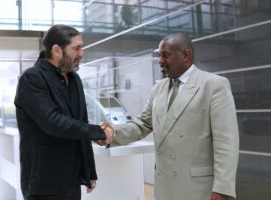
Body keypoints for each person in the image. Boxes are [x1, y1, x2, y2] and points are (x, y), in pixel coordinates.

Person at [100, 33, 239, 200]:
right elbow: (143, 124)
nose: (160, 61)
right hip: (165, 186)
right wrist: (111, 134)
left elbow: (226, 141)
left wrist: (223, 188)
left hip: (198, 188)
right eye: (159, 55)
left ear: (186, 55)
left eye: (166, 55)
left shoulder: (214, 85)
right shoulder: (158, 89)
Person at [14, 24, 112, 200]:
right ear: (57, 50)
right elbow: (54, 122)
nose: (81, 53)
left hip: (71, 180)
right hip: (44, 184)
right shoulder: (32, 79)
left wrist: (89, 171)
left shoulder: (74, 79)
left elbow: (81, 121)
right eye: (76, 48)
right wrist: (98, 131)